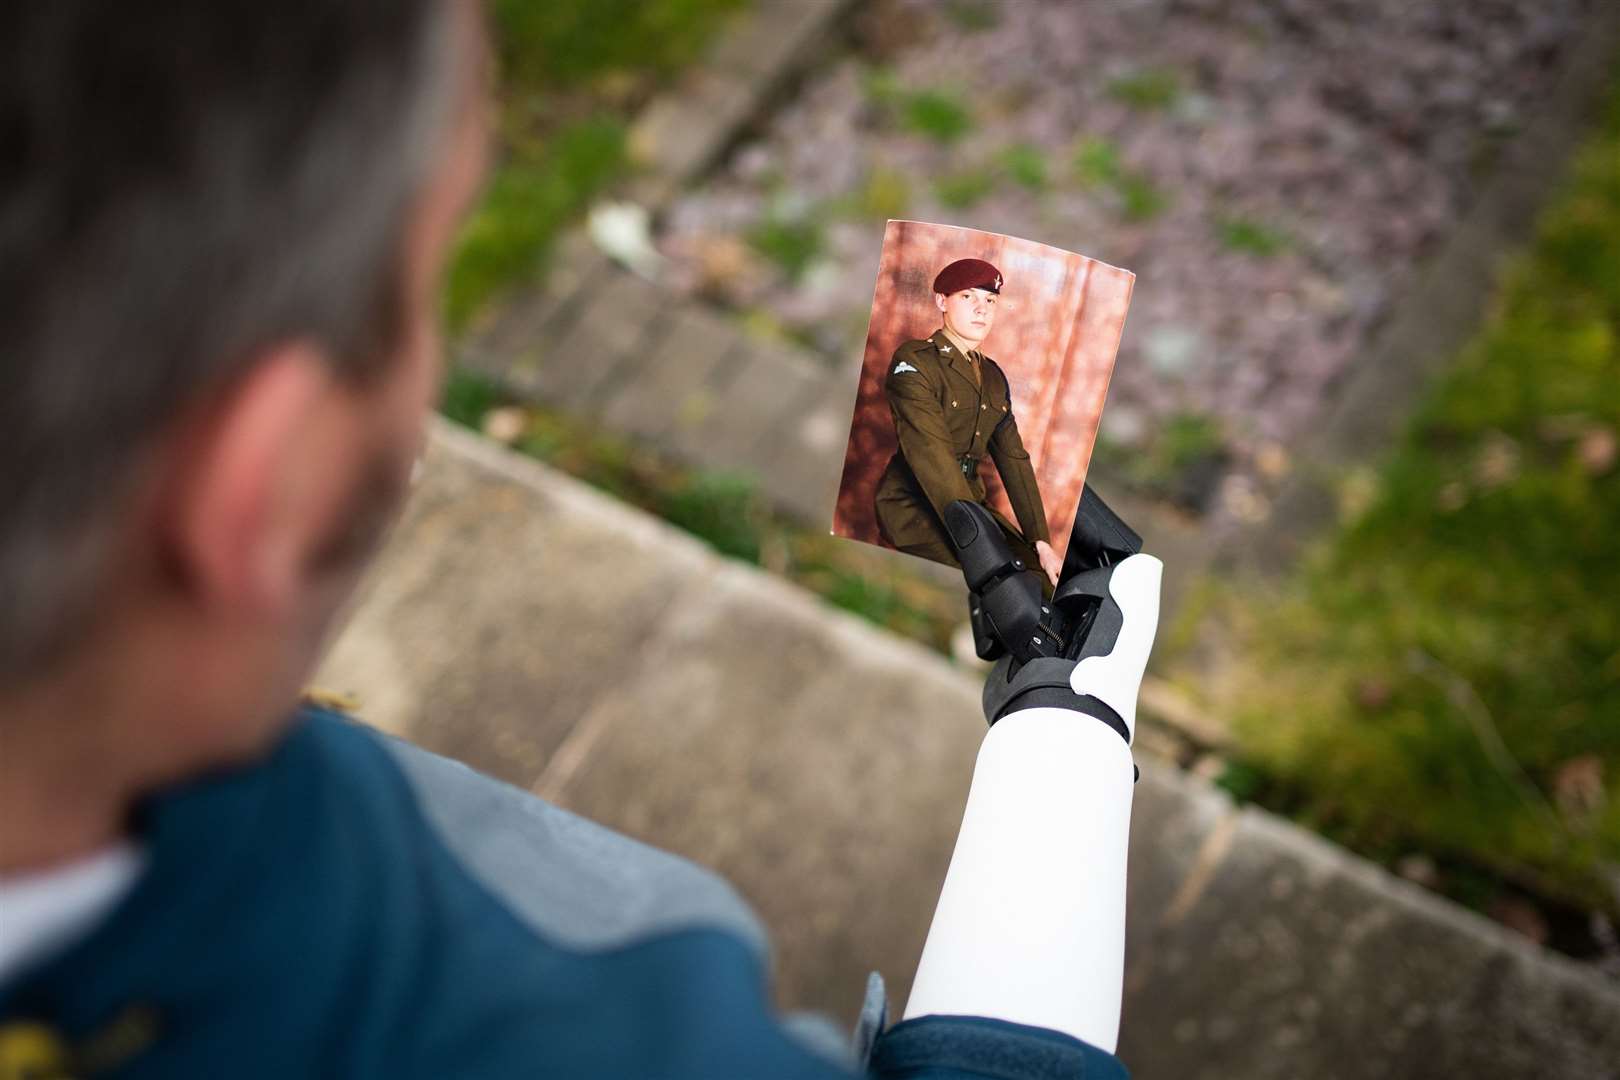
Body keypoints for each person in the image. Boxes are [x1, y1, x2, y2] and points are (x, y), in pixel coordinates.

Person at [0, 3, 1151, 1077]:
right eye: (424, 291)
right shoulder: (570, 1017)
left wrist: (1030, 523)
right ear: (270, 482)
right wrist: (1066, 749)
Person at [873, 259, 1063, 594]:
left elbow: (1014, 459)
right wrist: (980, 541)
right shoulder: (916, 361)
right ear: (941, 301)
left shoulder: (991, 376)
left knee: (1045, 583)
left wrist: (1040, 542)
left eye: (990, 301)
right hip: (917, 507)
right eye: (968, 297)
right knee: (1006, 591)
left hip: (972, 505)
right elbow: (932, 455)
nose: (982, 310)